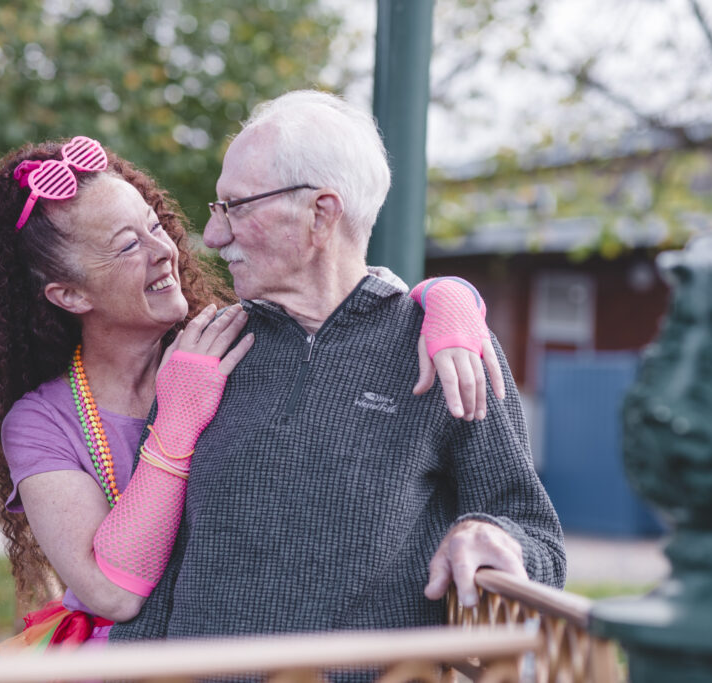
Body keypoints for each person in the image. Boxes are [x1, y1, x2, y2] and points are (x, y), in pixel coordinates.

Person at [0, 135, 499, 648]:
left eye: (154, 225)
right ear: (70, 294)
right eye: (128, 244)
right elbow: (112, 593)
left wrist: (449, 298)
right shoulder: (41, 423)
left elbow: (345, 309)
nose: (165, 249)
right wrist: (177, 417)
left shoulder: (237, 346)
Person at [110, 91, 566, 644]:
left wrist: (493, 536)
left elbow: (536, 536)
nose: (214, 236)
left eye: (236, 206)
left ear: (320, 214)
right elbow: (162, 564)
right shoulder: (204, 353)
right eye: (217, 208)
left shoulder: (449, 350)